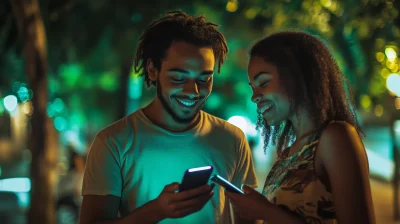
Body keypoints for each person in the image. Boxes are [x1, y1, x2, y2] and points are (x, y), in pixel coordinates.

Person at [79, 11, 258, 224]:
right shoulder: (113, 143)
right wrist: (156, 211)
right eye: (178, 78)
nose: (193, 91)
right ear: (153, 70)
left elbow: (249, 218)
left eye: (204, 79)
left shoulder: (232, 139)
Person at [225, 31, 376, 224]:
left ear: (298, 75)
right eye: (253, 87)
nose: (255, 97)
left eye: (263, 82)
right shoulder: (289, 153)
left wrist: (266, 211)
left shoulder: (335, 137)